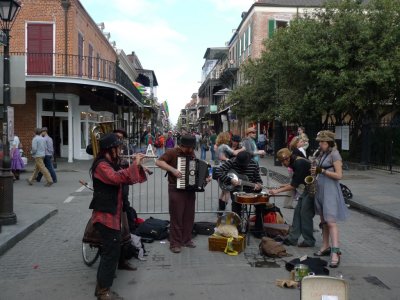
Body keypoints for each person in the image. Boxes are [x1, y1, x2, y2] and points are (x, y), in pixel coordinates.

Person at [89, 133, 147, 299]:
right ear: (111, 149)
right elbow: (116, 178)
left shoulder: (110, 163)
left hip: (113, 214)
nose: (121, 150)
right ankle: (103, 291)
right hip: (105, 216)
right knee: (109, 253)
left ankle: (101, 287)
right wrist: (134, 164)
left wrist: (139, 166)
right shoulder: (101, 165)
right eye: (118, 147)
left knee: (113, 250)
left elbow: (126, 177)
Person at [155, 135, 202, 253]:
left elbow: (195, 170)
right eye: (190, 148)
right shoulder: (172, 152)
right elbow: (158, 162)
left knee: (189, 216)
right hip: (175, 188)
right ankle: (175, 243)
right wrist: (173, 170)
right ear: (183, 145)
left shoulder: (191, 154)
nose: (191, 150)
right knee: (176, 216)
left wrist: (203, 178)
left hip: (189, 190)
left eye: (192, 148)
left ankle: (186, 240)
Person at [312, 130, 349, 268]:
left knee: (331, 222)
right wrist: (315, 170)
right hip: (321, 190)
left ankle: (335, 252)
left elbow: (339, 175)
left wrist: (323, 171)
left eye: (322, 142)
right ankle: (325, 245)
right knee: (324, 221)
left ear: (328, 143)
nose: (320, 144)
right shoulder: (323, 154)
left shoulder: (335, 154)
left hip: (330, 191)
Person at [269, 148, 315, 247]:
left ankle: (309, 240)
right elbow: (296, 180)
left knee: (305, 214)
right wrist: (285, 185)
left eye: (282, 162)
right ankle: (292, 238)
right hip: (308, 188)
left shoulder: (299, 163)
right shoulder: (295, 162)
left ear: (287, 159)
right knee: (298, 211)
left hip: (314, 189)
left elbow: (294, 185)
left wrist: (277, 191)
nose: (282, 164)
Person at [215, 151, 264, 236]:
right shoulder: (232, 161)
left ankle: (258, 230)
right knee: (236, 206)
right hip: (236, 190)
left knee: (261, 205)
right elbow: (218, 171)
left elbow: (258, 180)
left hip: (250, 190)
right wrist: (230, 180)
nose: (241, 166)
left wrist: (258, 185)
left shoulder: (254, 164)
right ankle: (237, 229)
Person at [215, 132, 245, 214]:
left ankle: (220, 209)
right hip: (223, 170)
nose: (230, 138)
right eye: (228, 137)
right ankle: (221, 211)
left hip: (218, 169)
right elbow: (234, 153)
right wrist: (243, 149)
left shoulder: (219, 146)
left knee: (224, 191)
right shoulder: (224, 146)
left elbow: (220, 157)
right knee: (227, 191)